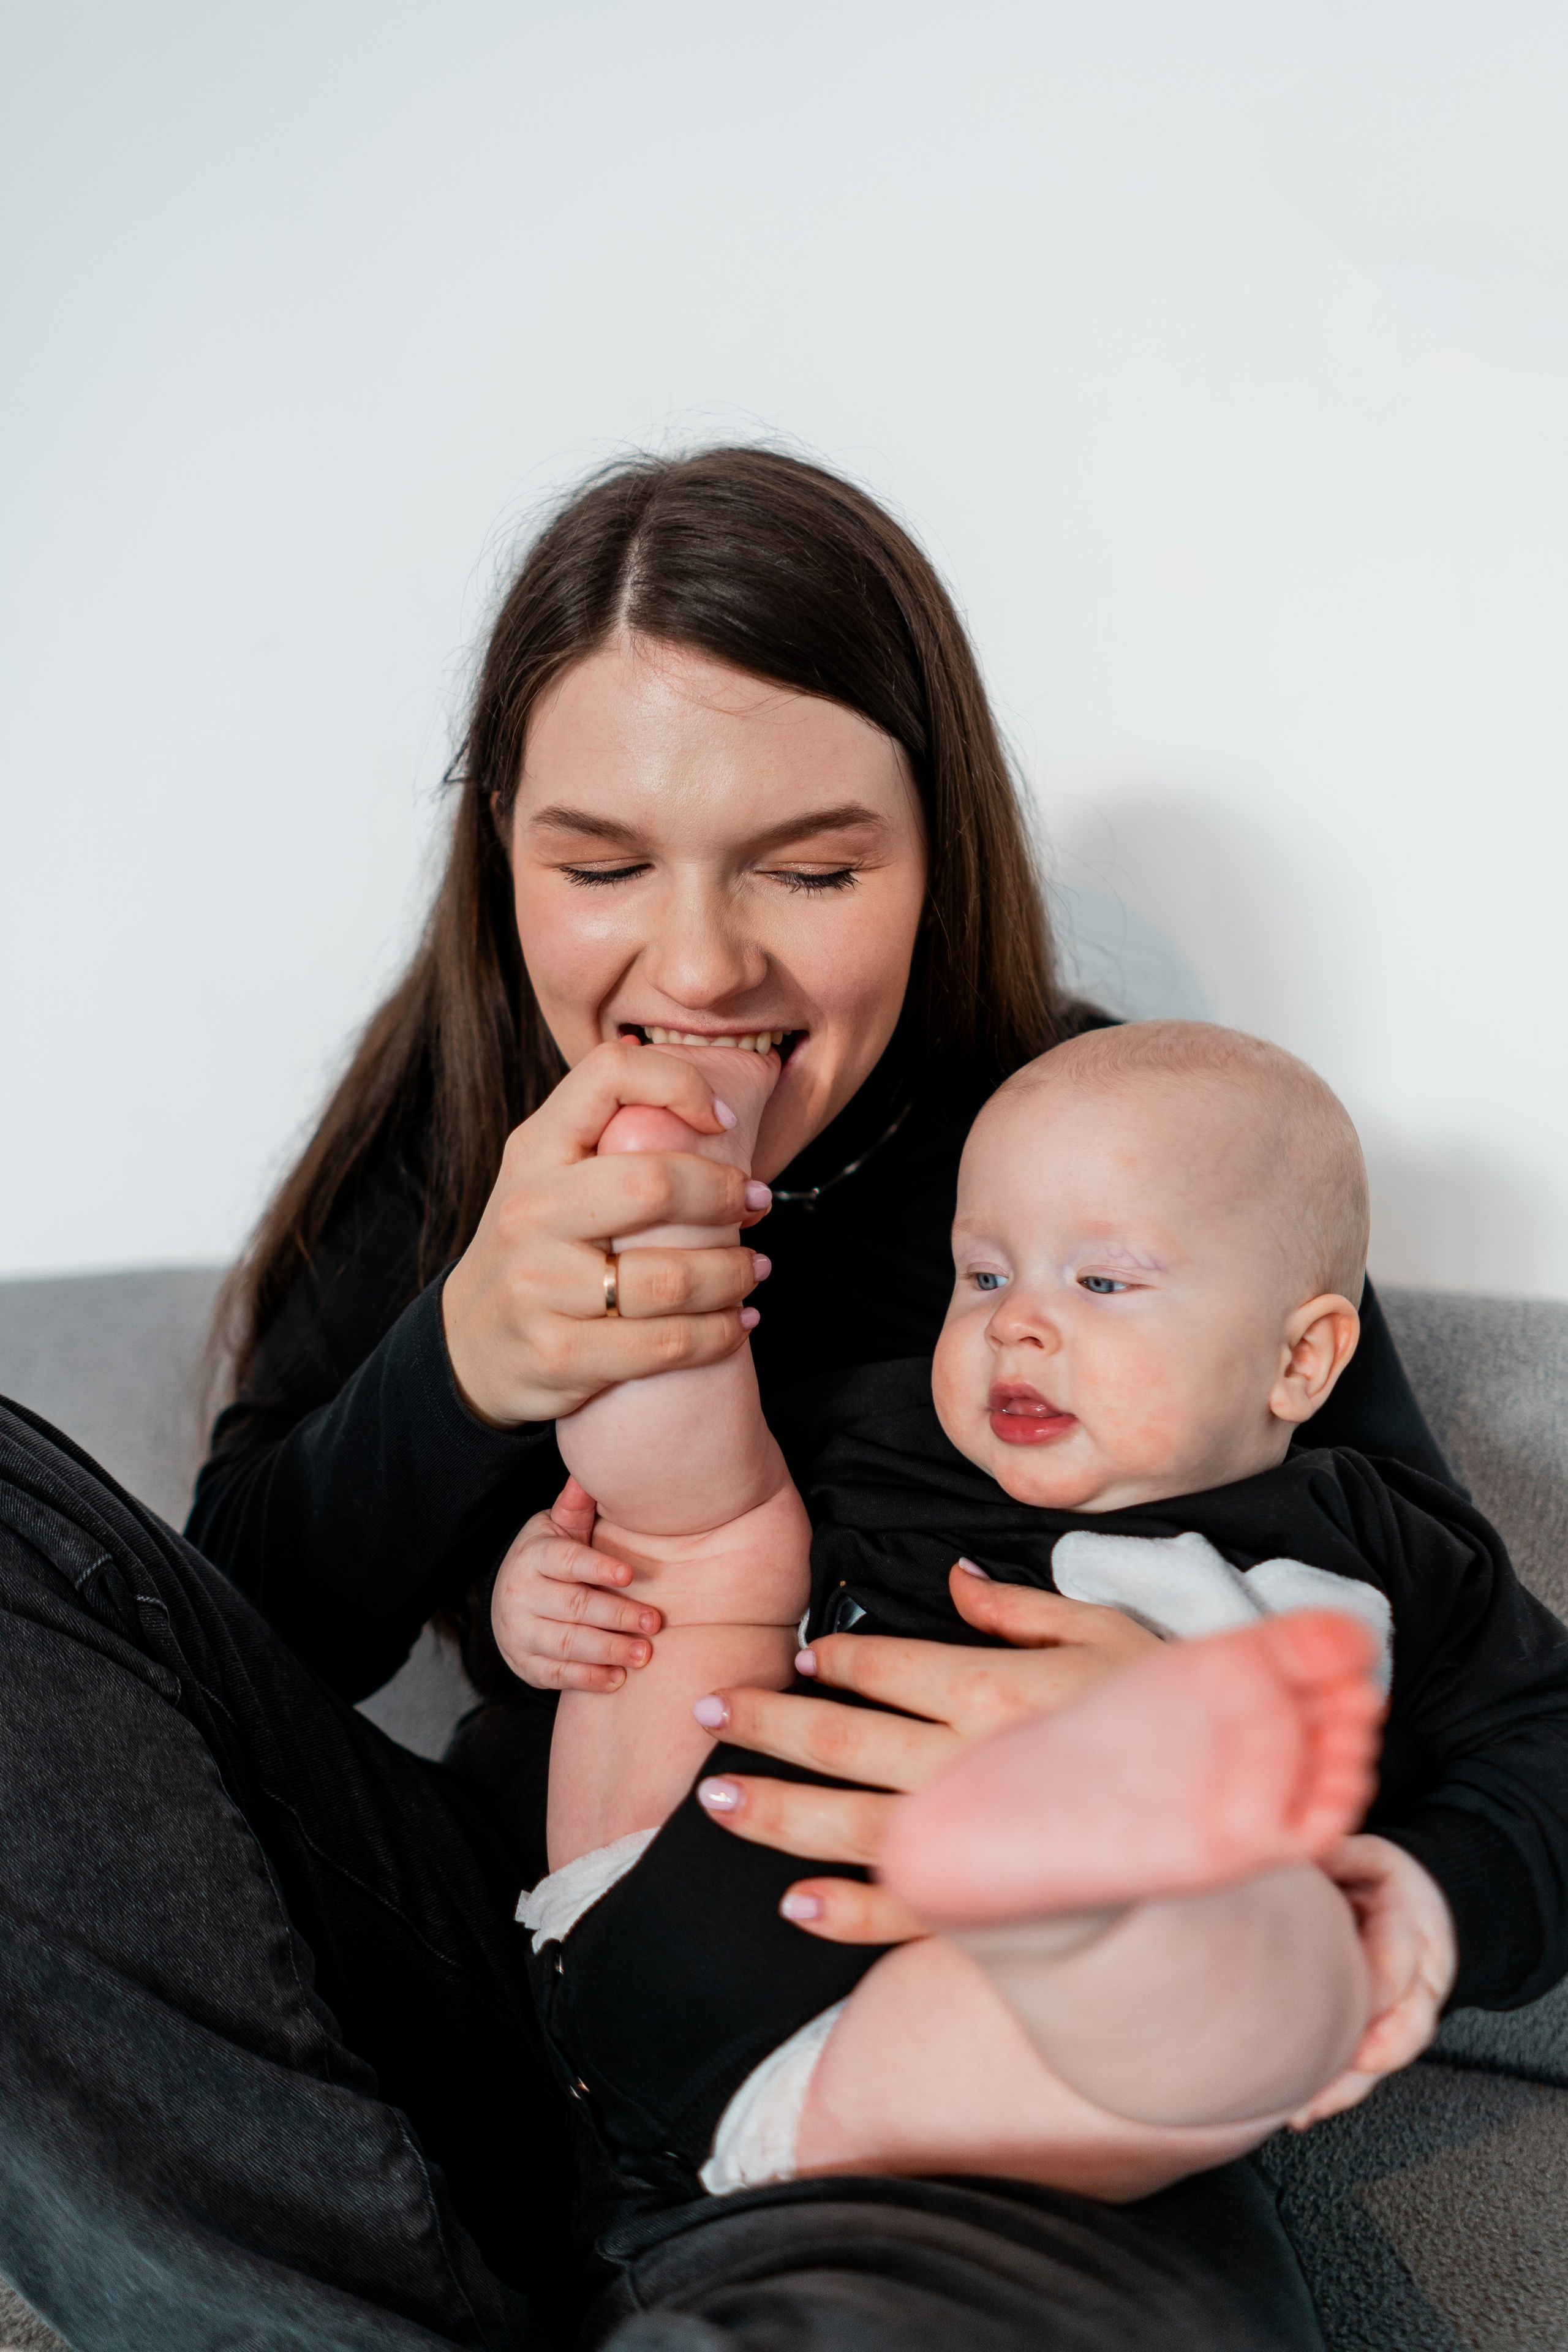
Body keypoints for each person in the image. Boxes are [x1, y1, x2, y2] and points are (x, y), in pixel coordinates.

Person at [0, 449, 1464, 2350]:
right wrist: (460, 1367)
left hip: (909, 2070)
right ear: (502, 848)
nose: (696, 966)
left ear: (939, 851)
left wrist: (1196, 1764)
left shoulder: (1119, 1162)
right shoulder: (461, 1140)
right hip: (477, 1973)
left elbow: (1461, 1668)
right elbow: (220, 1669)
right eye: (601, 866)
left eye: (812, 865)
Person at [518, 1022, 1568, 2208]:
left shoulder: (1381, 1549)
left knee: (1200, 1998)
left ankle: (1280, 1976)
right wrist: (547, 1585)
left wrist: (1416, 1892)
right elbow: (679, 1509)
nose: (1013, 1322)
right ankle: (667, 1203)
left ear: (1302, 1360)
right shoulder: (884, 1430)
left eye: (1101, 1281)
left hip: (883, 2061)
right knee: (706, 1529)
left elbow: (1546, 1746)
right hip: (635, 1866)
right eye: (982, 1274)